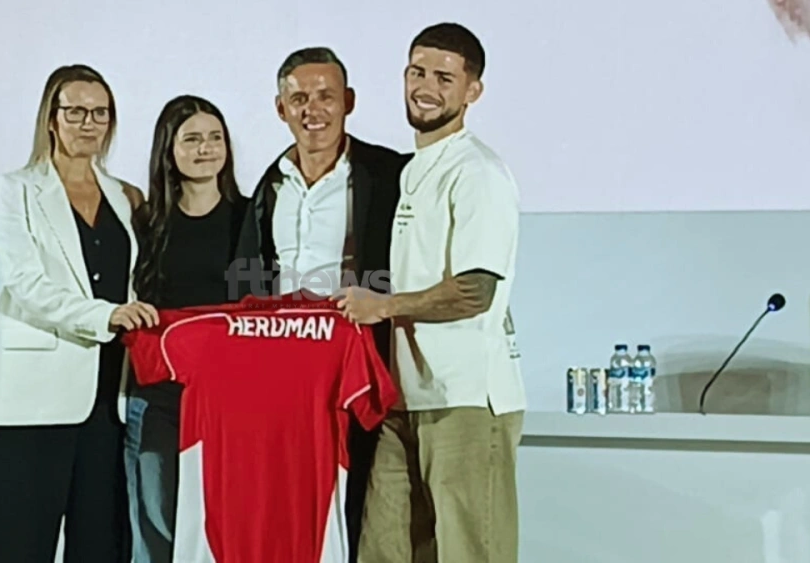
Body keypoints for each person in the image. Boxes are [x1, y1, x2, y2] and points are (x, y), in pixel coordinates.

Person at [336, 23, 526, 563]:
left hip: (466, 400)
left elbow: (476, 291)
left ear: (472, 91)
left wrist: (383, 306)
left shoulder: (478, 171)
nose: (426, 88)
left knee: (470, 552)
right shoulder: (412, 169)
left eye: (444, 78)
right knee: (383, 548)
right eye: (417, 72)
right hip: (405, 397)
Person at [232, 46, 410, 561]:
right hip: (284, 378)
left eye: (326, 96)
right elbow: (249, 281)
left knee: (361, 509)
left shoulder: (389, 173)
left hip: (361, 372)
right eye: (299, 99)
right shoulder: (269, 185)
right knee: (293, 507)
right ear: (280, 108)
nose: (313, 110)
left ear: (348, 101)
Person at [0, 63, 156, 563]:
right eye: (75, 111)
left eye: (100, 113)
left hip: (110, 398)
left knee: (101, 546)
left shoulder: (126, 197)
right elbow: (26, 283)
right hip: (37, 396)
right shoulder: (14, 189)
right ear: (51, 118)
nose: (88, 122)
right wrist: (106, 316)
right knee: (17, 545)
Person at [126, 94, 250, 563]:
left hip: (230, 399)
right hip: (158, 398)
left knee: (226, 529)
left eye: (215, 138)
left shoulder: (250, 218)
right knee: (157, 527)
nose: (206, 148)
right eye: (192, 139)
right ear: (169, 149)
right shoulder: (146, 223)